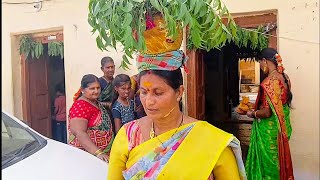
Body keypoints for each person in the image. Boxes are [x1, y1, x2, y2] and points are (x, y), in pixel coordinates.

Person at [108, 50, 247, 179]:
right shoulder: (128, 135)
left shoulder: (211, 140)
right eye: (144, 92)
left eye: (158, 93)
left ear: (179, 92)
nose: (149, 102)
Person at [245, 48, 294, 180]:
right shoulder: (285, 78)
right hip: (282, 128)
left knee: (269, 165)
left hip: (269, 132)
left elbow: (267, 112)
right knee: (278, 161)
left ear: (265, 61)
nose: (261, 67)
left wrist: (252, 113)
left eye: (260, 63)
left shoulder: (269, 82)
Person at [68, 74, 114, 162]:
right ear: (82, 90)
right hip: (89, 156)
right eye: (92, 88)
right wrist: (98, 153)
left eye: (98, 88)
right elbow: (79, 132)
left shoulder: (95, 102)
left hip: (103, 154)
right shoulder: (80, 106)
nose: (96, 91)